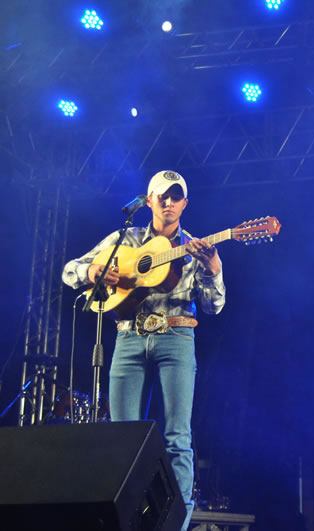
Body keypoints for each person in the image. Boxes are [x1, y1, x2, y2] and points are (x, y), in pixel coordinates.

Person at [62, 170, 224, 530]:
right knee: (121, 437)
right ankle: (123, 521)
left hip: (177, 337)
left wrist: (213, 267)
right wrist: (94, 272)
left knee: (177, 437)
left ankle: (176, 524)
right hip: (128, 337)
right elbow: (69, 271)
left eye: (176, 196)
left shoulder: (194, 247)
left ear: (185, 203)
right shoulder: (127, 240)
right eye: (162, 195)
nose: (169, 202)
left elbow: (213, 307)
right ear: (149, 200)